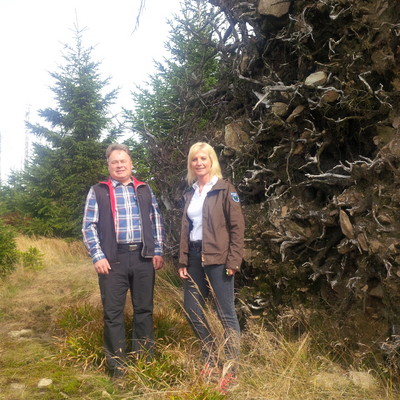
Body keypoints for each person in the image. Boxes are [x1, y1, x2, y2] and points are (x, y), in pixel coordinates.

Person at [82, 143, 164, 378]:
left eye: (123, 161)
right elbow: (88, 226)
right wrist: (97, 256)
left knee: (144, 310)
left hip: (142, 258)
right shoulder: (98, 190)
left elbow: (156, 219)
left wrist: (157, 250)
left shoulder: (144, 189)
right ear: (108, 166)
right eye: (114, 162)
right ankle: (118, 367)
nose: (119, 165)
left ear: (130, 163)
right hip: (112, 259)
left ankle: (144, 362)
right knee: (113, 313)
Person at [178, 142, 244, 394]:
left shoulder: (225, 189)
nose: (199, 163)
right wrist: (183, 260)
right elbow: (187, 228)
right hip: (194, 258)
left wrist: (234, 260)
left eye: (203, 158)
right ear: (191, 164)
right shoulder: (190, 192)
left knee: (226, 315)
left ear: (211, 160)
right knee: (192, 310)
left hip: (219, 258)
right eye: (194, 159)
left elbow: (238, 227)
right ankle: (210, 360)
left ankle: (231, 371)